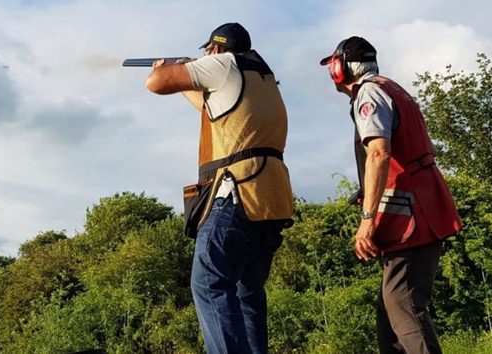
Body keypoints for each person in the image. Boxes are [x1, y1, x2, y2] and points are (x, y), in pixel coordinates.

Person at [145, 23, 294, 354]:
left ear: (214, 49)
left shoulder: (222, 64)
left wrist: (172, 69)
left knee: (208, 282)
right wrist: (187, 76)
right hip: (270, 200)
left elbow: (155, 83)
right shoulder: (262, 78)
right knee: (247, 294)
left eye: (206, 51)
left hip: (237, 194)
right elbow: (211, 106)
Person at [319, 36, 462, 354]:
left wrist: (367, 220)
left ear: (342, 68)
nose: (331, 73)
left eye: (332, 65)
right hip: (425, 204)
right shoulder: (392, 88)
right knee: (390, 314)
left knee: (404, 307)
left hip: (410, 215)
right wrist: (367, 191)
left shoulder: (368, 93)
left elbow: (380, 154)